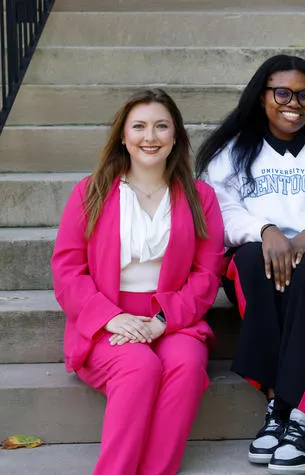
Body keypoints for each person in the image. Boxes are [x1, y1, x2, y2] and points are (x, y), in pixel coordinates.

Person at [196, 54, 305, 474]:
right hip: (259, 253)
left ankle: (295, 415)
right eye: (282, 93)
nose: (294, 103)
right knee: (251, 263)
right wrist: (266, 230)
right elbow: (218, 214)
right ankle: (286, 408)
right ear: (262, 97)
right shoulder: (232, 147)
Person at [51, 89, 225, 474]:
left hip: (173, 317)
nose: (151, 137)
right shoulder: (90, 192)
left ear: (175, 136)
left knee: (185, 366)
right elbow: (67, 269)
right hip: (105, 320)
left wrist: (162, 320)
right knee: (138, 367)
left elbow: (207, 273)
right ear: (123, 137)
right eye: (140, 127)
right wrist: (111, 318)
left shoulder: (201, 198)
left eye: (161, 126)